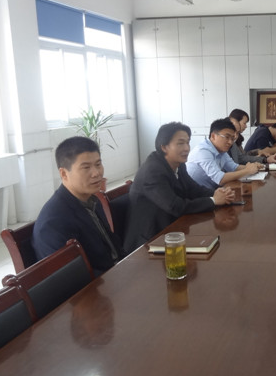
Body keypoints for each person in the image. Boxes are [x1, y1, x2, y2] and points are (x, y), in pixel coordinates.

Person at [124, 122, 235, 253]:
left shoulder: (178, 164)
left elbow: (194, 189)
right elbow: (175, 206)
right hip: (149, 241)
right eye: (180, 143)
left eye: (188, 142)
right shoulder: (153, 171)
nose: (187, 148)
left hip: (172, 229)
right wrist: (214, 200)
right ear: (164, 147)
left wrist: (219, 193)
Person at [32, 136, 125, 276]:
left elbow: (113, 248)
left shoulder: (92, 200)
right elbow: (72, 277)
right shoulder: (54, 222)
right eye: (86, 167)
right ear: (64, 173)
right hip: (96, 285)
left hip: (116, 273)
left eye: (98, 164)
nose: (96, 173)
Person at [187, 118, 263, 189]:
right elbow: (220, 178)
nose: (230, 142)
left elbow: (234, 167)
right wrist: (247, 171)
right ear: (213, 136)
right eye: (227, 137)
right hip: (197, 195)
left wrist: (253, 166)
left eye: (232, 139)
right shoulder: (203, 151)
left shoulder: (221, 150)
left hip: (212, 189)